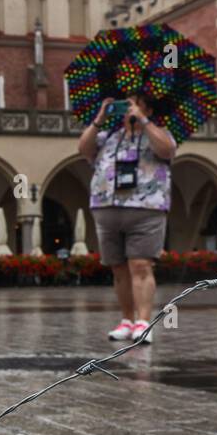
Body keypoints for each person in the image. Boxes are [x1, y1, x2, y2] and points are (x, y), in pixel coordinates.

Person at [78, 89, 176, 344]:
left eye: (136, 105)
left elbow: (167, 151)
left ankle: (144, 322)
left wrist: (143, 121)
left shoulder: (158, 134)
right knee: (119, 269)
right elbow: (83, 148)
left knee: (141, 266)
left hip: (146, 209)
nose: (129, 109)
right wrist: (100, 118)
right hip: (107, 207)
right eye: (127, 105)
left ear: (149, 110)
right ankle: (127, 320)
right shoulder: (107, 136)